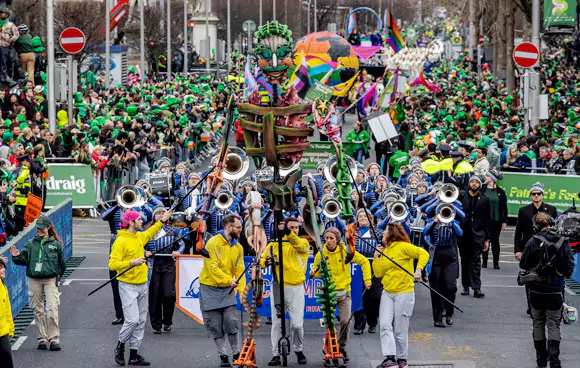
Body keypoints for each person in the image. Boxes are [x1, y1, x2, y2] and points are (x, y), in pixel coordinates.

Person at [109, 209, 172, 367]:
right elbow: (113, 265)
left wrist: (162, 221)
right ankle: (120, 346)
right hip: (127, 284)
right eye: (138, 219)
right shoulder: (120, 241)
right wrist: (132, 262)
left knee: (142, 321)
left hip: (142, 283)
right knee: (132, 320)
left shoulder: (139, 236)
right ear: (130, 222)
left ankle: (134, 355)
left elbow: (151, 232)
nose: (142, 221)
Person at [519, 213, 574, 368]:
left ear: (535, 226)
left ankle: (541, 361)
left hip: (536, 290)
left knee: (537, 323)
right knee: (553, 324)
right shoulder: (564, 241)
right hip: (556, 289)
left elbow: (523, 264)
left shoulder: (532, 241)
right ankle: (555, 361)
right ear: (552, 223)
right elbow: (569, 267)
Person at [310, 227, 371, 362]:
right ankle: (329, 347)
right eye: (326, 238)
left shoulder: (346, 251)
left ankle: (342, 347)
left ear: (337, 240)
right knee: (329, 324)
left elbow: (364, 261)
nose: (328, 241)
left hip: (344, 293)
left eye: (331, 238)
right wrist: (314, 273)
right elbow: (317, 271)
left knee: (345, 321)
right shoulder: (320, 254)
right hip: (328, 294)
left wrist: (367, 280)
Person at [373, 222, 429, 368]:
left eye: (385, 230)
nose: (383, 233)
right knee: (385, 324)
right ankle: (389, 357)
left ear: (392, 233)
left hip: (404, 292)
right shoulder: (385, 250)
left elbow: (423, 253)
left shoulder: (404, 246)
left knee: (400, 328)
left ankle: (402, 359)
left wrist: (418, 270)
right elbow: (379, 273)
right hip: (388, 292)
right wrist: (377, 257)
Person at [10, 215, 66, 351]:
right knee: (37, 309)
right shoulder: (30, 243)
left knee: (52, 309)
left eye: (41, 228)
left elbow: (62, 264)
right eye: (37, 229)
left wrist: (57, 276)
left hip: (50, 279)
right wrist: (16, 256)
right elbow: (22, 260)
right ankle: (42, 338)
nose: (39, 231)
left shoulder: (55, 245)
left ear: (48, 228)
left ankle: (54, 339)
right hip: (34, 279)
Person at [199, 214, 246, 368]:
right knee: (215, 325)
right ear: (228, 227)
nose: (241, 230)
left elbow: (240, 270)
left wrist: (241, 288)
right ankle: (223, 355)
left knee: (231, 322)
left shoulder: (239, 247)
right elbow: (212, 268)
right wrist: (229, 280)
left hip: (227, 289)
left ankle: (236, 353)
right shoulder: (213, 243)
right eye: (238, 227)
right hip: (209, 288)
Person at [261, 217, 309, 366]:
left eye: (296, 227)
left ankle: (298, 349)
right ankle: (275, 354)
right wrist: (266, 262)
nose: (294, 230)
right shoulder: (274, 244)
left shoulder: (303, 243)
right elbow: (262, 262)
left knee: (297, 325)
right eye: (291, 227)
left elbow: (297, 244)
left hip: (296, 288)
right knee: (276, 324)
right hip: (278, 287)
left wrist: (289, 233)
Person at [514, 182, 558, 315]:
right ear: (530, 195)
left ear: (542, 195)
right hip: (530, 248)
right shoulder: (523, 210)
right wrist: (517, 249)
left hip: (547, 249)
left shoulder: (551, 209)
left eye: (539, 194)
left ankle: (544, 303)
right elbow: (518, 231)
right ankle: (531, 305)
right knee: (529, 276)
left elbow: (556, 231)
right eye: (534, 194)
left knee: (547, 276)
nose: (536, 196)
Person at [145, 207, 186, 334]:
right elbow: (139, 245)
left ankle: (167, 321)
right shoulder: (147, 231)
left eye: (163, 213)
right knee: (155, 295)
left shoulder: (174, 230)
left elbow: (182, 245)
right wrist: (145, 252)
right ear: (154, 216)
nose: (161, 215)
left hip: (168, 264)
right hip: (153, 264)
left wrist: (177, 252)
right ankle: (156, 324)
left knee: (169, 294)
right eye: (158, 213)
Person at [457, 175, 490, 298]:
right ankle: (465, 287)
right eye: (472, 182)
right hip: (463, 234)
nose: (474, 184)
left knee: (476, 262)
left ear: (480, 185)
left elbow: (487, 219)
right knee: (465, 261)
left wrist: (487, 238)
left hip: (478, 234)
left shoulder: (485, 199)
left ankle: (476, 288)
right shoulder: (462, 196)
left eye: (476, 182)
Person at [481, 169, 508, 269]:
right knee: (485, 240)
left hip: (496, 219)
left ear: (492, 178)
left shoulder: (500, 191)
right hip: (484, 219)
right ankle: (484, 261)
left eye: (488, 176)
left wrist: (505, 220)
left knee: (495, 241)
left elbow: (504, 207)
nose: (486, 177)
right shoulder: (482, 189)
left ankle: (496, 262)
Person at [0, 256, 14, 368]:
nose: (3, 270)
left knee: (7, 360)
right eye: (0, 268)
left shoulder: (3, 286)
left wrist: (10, 328)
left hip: (3, 332)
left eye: (3, 267)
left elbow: (7, 310)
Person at [0, 7, 18, 84]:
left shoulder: (11, 25)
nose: (1, 14)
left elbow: (16, 34)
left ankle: (2, 75)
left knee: (3, 61)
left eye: (2, 13)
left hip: (5, 45)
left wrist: (11, 40)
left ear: (7, 15)